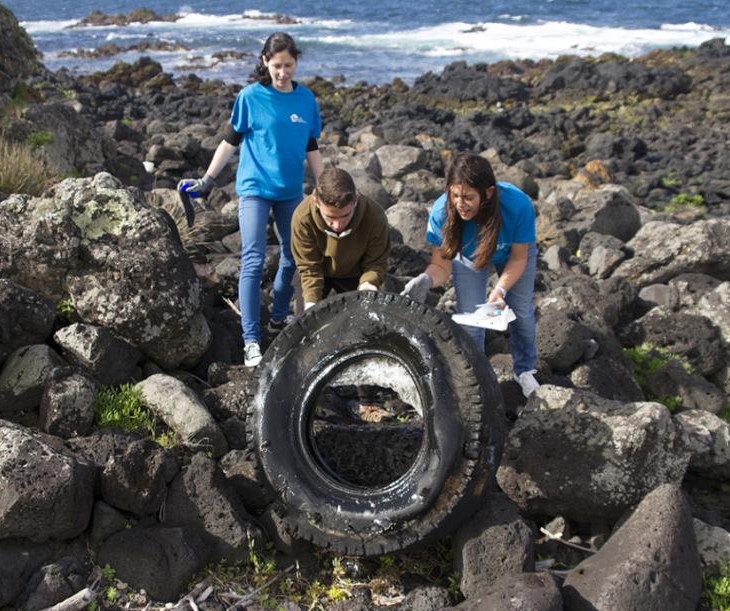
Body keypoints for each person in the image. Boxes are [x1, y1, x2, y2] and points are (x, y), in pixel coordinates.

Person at [180, 33, 323, 367]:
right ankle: (251, 340)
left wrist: (323, 187)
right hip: (254, 189)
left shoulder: (306, 100)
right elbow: (229, 141)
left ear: (296, 63)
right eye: (277, 66)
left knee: (294, 257)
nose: (283, 72)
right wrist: (207, 180)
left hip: (290, 193)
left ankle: (278, 318)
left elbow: (311, 147)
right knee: (253, 260)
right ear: (265, 62)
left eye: (288, 65)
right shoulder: (250, 97)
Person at [402, 152, 540, 397]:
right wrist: (426, 280)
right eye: (454, 195)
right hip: (469, 257)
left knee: (521, 313)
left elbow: (519, 258)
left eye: (468, 197)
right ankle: (479, 380)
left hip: (511, 253)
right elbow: (441, 266)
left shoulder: (517, 205)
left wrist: (500, 290)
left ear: (488, 193)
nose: (460, 203)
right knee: (471, 322)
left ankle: (525, 371)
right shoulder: (441, 213)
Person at [291, 167, 391, 309]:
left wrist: (369, 284)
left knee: (364, 317)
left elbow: (376, 263)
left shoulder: (374, 216)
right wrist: (311, 303)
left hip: (357, 273)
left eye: (345, 215)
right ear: (316, 202)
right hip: (314, 272)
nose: (337, 225)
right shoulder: (303, 217)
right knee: (305, 318)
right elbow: (308, 267)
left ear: (355, 200)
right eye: (330, 217)